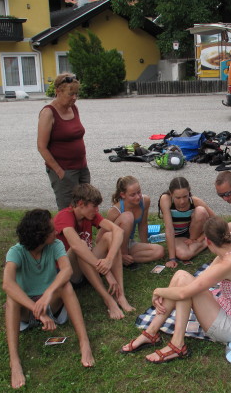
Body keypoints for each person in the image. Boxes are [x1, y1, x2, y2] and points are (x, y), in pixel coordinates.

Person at [120, 217, 231, 363]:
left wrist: (157, 291)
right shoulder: (230, 253)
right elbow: (197, 283)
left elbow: (185, 292)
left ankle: (177, 344)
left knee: (184, 285)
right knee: (181, 276)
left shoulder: (228, 263)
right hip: (229, 312)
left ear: (208, 241)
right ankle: (151, 332)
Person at [3, 209, 94, 389]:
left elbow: (67, 270)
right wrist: (37, 309)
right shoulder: (16, 252)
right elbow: (7, 284)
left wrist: (47, 294)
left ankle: (85, 343)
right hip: (26, 309)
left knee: (66, 286)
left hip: (50, 304)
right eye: (52, 230)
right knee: (10, 299)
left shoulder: (56, 245)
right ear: (40, 236)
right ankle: (14, 361)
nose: (56, 232)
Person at [54, 183, 134, 320]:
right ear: (80, 204)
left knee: (109, 237)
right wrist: (106, 272)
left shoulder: (90, 215)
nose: (97, 210)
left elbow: (118, 231)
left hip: (89, 266)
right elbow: (76, 246)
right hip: (69, 272)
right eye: (94, 206)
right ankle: (108, 299)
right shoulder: (65, 216)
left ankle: (120, 295)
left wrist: (108, 260)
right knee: (81, 244)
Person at [37, 73, 90, 210]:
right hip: (64, 171)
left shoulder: (73, 108)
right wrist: (59, 171)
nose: (74, 98)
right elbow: (42, 147)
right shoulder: (48, 113)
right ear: (58, 92)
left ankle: (84, 232)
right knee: (68, 210)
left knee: (86, 206)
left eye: (76, 94)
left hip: (81, 168)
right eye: (70, 94)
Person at [100, 176, 164, 266]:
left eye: (139, 192)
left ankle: (124, 259)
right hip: (114, 244)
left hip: (129, 243)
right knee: (128, 216)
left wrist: (145, 245)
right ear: (123, 195)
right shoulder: (115, 211)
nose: (138, 197)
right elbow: (100, 237)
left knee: (159, 251)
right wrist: (118, 251)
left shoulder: (145, 201)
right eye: (132, 194)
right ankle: (121, 256)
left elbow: (143, 224)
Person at [158, 177, 215, 269]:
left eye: (185, 196)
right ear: (171, 194)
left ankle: (199, 240)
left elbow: (215, 220)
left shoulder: (195, 201)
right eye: (178, 198)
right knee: (183, 255)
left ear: (189, 192)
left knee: (201, 211)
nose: (182, 201)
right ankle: (206, 242)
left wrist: (200, 237)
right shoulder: (165, 199)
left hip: (193, 233)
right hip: (177, 235)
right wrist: (172, 258)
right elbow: (169, 229)